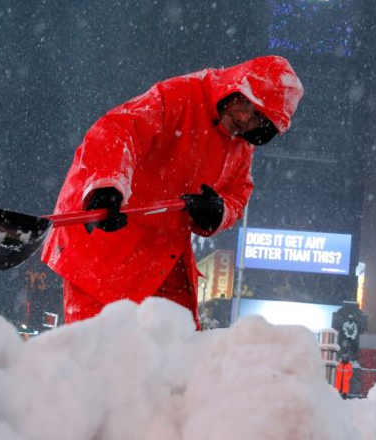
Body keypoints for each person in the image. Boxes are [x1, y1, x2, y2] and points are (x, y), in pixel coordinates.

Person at [42, 56, 303, 328]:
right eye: (247, 105)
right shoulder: (180, 96)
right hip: (102, 243)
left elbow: (238, 194)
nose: (245, 119)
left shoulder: (241, 145)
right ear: (235, 88)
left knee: (178, 348)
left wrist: (218, 211)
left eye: (259, 118)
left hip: (162, 253)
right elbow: (118, 130)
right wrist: (107, 185)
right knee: (99, 351)